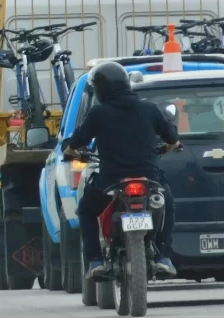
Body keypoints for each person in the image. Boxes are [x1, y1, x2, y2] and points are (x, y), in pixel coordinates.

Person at [64, 61, 180, 279]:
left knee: (86, 210)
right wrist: (172, 145)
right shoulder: (149, 108)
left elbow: (78, 140)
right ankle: (163, 256)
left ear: (100, 89)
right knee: (168, 203)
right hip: (149, 179)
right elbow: (171, 136)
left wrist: (70, 151)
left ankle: (96, 261)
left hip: (111, 182)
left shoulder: (99, 113)